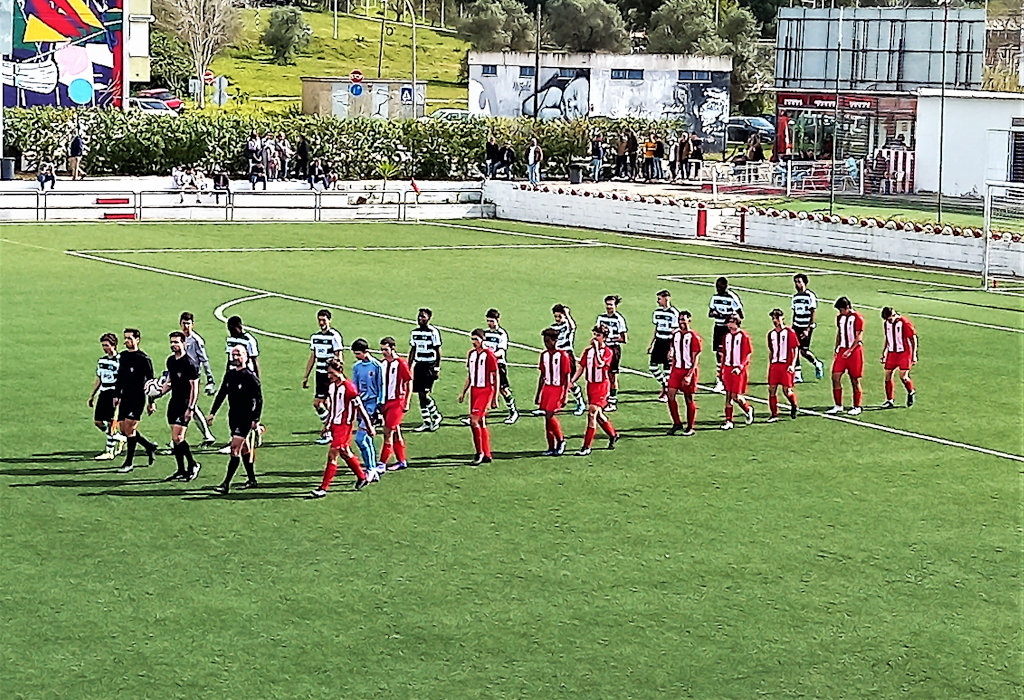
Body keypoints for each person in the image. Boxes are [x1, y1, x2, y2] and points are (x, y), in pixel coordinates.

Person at [311, 358, 375, 496]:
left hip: (344, 426)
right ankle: (362, 477)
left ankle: (323, 488)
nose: (329, 376)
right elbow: (333, 407)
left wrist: (369, 426)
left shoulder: (350, 388)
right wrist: (327, 424)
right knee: (345, 453)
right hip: (335, 424)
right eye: (328, 373)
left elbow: (360, 408)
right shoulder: (332, 386)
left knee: (332, 454)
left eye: (331, 373)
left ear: (339, 371)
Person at [209, 345, 263, 494]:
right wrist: (212, 413)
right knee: (244, 448)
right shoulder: (230, 375)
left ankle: (226, 484)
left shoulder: (250, 377)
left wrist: (256, 419)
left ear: (245, 356)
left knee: (235, 449)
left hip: (245, 418)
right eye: (233, 354)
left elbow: (259, 399)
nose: (235, 357)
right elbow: (221, 394)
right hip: (233, 417)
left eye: (238, 354)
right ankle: (252, 480)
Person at [152, 331, 202, 482]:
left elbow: (195, 387)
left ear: (184, 343)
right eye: (172, 342)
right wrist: (157, 394)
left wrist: (191, 408)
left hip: (185, 404)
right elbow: (170, 382)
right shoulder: (171, 361)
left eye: (176, 342)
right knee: (175, 439)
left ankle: (193, 465)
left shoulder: (190, 363)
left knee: (178, 437)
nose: (173, 345)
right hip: (174, 402)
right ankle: (181, 470)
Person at [112, 328, 158, 472]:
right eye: (125, 338)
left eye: (129, 338)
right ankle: (149, 446)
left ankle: (128, 463)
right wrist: (116, 395)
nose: (126, 341)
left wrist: (151, 402)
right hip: (125, 396)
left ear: (137, 340)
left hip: (137, 398)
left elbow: (151, 383)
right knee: (124, 430)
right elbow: (120, 377)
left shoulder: (144, 359)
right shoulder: (123, 356)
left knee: (130, 429)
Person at [570, 325, 619, 456]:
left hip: (602, 386)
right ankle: (613, 434)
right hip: (590, 385)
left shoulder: (608, 352)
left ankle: (586, 447)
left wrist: (597, 349)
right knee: (598, 414)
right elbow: (581, 367)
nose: (595, 338)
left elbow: (600, 364)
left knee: (591, 413)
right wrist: (572, 381)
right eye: (594, 335)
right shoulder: (587, 351)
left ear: (604, 338)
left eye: (598, 336)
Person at [220, 315, 262, 453]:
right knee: (234, 407)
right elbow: (229, 358)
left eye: (232, 329)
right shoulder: (230, 339)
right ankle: (237, 438)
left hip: (246, 377)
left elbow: (255, 360)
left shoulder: (249, 340)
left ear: (239, 327)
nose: (230, 332)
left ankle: (253, 430)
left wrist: (257, 379)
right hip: (233, 376)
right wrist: (227, 376)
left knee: (247, 407)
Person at [302, 309, 344, 445]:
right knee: (327, 403)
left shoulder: (335, 336)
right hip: (319, 374)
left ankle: (328, 431)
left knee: (318, 403)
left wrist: (338, 375)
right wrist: (306, 375)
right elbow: (313, 357)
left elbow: (339, 357)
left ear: (329, 320)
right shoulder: (315, 337)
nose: (321, 323)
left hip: (330, 376)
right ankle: (332, 430)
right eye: (319, 320)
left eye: (324, 320)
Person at [458, 329, 499, 465]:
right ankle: (487, 453)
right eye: (473, 339)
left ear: (483, 339)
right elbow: (470, 375)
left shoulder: (489, 355)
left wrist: (495, 397)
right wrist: (464, 391)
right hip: (475, 391)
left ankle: (479, 452)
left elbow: (495, 376)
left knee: (473, 421)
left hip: (485, 391)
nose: (474, 342)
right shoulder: (471, 354)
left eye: (476, 339)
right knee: (481, 422)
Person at [179, 312, 217, 447]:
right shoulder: (179, 339)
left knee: (188, 406)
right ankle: (207, 435)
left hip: (192, 378)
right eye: (184, 323)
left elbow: (204, 359)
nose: (186, 326)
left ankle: (177, 439)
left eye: (188, 324)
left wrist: (210, 379)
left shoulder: (196, 340)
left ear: (193, 325)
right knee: (191, 408)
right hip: (181, 377)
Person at [88, 332, 126, 460]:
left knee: (111, 422)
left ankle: (109, 451)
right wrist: (92, 395)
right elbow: (99, 378)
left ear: (114, 345)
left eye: (107, 345)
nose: (104, 348)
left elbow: (123, 380)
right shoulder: (102, 360)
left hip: (114, 393)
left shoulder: (121, 361)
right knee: (98, 422)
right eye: (103, 345)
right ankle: (119, 438)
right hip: (103, 393)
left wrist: (120, 396)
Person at [826, 296, 865, 416]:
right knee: (835, 377)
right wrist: (836, 347)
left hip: (854, 352)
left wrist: (850, 350)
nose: (840, 312)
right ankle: (838, 405)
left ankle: (857, 406)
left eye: (841, 310)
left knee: (854, 379)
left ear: (847, 307)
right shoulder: (840, 318)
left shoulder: (858, 318)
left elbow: (859, 336)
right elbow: (840, 333)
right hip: (842, 350)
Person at [377, 336, 412, 472]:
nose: (383, 352)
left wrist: (407, 402)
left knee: (387, 432)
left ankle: (382, 463)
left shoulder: (401, 363)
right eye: (382, 350)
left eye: (386, 349)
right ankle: (402, 461)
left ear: (393, 348)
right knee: (396, 432)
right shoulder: (383, 363)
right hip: (386, 402)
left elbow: (409, 381)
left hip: (397, 402)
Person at [350, 338, 384, 479]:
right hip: (360, 406)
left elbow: (381, 387)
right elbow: (355, 387)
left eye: (358, 353)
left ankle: (370, 469)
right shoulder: (357, 367)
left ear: (366, 352)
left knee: (360, 438)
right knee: (368, 439)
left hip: (371, 406)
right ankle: (373, 467)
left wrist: (379, 407)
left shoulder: (377, 366)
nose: (356, 356)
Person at [535, 328, 570, 456]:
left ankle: (561, 441)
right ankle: (551, 446)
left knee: (550, 415)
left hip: (558, 388)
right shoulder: (543, 355)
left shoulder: (562, 355)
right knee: (547, 417)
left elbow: (567, 376)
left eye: (548, 341)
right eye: (544, 340)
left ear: (555, 341)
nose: (546, 343)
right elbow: (542, 375)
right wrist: (538, 393)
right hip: (547, 388)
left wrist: (565, 394)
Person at [666, 311, 701, 436]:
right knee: (670, 395)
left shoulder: (694, 336)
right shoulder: (675, 335)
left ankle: (690, 427)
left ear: (689, 320)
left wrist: (690, 375)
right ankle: (677, 423)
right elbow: (673, 348)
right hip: (676, 369)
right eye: (680, 319)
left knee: (688, 398)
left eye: (684, 319)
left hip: (687, 370)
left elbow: (695, 357)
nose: (681, 322)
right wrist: (670, 353)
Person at [482, 308, 519, 424]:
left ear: (498, 320)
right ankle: (478, 414)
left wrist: (490, 356)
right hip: (486, 365)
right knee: (483, 388)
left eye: (492, 321)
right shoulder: (485, 333)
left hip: (498, 365)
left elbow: (501, 352)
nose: (490, 323)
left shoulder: (502, 334)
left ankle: (513, 412)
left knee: (503, 389)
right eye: (488, 321)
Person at [409, 307, 443, 432]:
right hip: (419, 365)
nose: (420, 319)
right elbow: (413, 350)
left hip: (429, 365)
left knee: (424, 393)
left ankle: (436, 416)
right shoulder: (415, 333)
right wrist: (409, 365)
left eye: (423, 316)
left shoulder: (433, 332)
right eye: (419, 316)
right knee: (419, 394)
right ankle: (427, 421)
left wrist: (437, 367)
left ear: (429, 318)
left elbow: (438, 350)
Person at [708, 276, 744, 392]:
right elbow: (710, 313)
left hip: (729, 329)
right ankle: (720, 379)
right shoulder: (715, 297)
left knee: (729, 353)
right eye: (717, 286)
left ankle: (731, 375)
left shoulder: (732, 297)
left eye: (720, 286)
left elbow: (740, 315)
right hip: (718, 328)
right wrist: (719, 315)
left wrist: (728, 318)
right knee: (719, 354)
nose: (718, 289)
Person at [720, 315, 754, 430]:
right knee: (728, 395)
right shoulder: (726, 337)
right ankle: (728, 420)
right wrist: (722, 369)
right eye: (728, 322)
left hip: (739, 370)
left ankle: (747, 409)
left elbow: (748, 354)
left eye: (731, 322)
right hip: (728, 368)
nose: (729, 325)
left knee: (736, 396)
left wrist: (740, 366)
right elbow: (724, 354)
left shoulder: (743, 336)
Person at [551, 303, 585, 416]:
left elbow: (573, 327)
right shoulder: (553, 327)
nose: (557, 319)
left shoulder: (567, 325)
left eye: (559, 316)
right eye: (556, 316)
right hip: (557, 356)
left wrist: (567, 314)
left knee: (570, 382)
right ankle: (556, 404)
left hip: (567, 355)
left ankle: (580, 402)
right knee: (557, 381)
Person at [880, 307, 917, 408]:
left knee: (903, 376)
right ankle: (889, 400)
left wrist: (914, 354)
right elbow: (887, 338)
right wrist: (884, 352)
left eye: (889, 319)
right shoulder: (886, 324)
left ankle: (911, 392)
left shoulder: (904, 322)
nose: (888, 321)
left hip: (904, 353)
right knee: (887, 375)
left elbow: (913, 337)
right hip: (892, 353)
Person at [766, 309, 799, 422]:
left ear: (782, 318)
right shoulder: (771, 334)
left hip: (786, 365)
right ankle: (774, 414)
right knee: (771, 389)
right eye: (773, 318)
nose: (775, 321)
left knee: (787, 391)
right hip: (775, 365)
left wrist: (793, 365)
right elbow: (771, 350)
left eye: (777, 318)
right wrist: (770, 364)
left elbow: (795, 349)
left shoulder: (790, 332)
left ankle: (794, 405)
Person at [791, 273, 825, 382]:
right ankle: (798, 374)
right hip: (796, 326)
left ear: (804, 283)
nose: (797, 284)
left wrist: (808, 328)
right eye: (795, 282)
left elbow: (812, 311)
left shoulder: (810, 296)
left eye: (799, 282)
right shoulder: (795, 297)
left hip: (805, 326)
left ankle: (817, 363)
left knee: (804, 351)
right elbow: (794, 312)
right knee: (794, 349)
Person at [596, 294, 628, 412]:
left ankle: (612, 401)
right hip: (603, 349)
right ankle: (603, 398)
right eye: (607, 304)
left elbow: (624, 338)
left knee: (612, 376)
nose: (609, 307)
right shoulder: (601, 318)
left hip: (613, 349)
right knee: (602, 374)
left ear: (615, 306)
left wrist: (610, 339)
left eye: (611, 305)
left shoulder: (619, 319)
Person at [647, 289, 678, 402]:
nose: (658, 301)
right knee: (653, 366)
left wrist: (673, 348)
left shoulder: (674, 313)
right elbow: (656, 329)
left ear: (666, 299)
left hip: (668, 342)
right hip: (659, 341)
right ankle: (666, 385)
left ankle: (666, 392)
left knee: (667, 368)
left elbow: (675, 332)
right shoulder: (657, 312)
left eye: (659, 299)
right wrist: (651, 344)